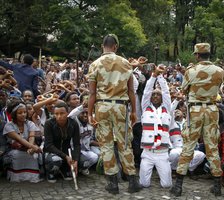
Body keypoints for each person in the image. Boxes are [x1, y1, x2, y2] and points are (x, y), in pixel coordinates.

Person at [87, 34, 141, 194]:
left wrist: (90, 114)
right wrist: (134, 112)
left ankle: (112, 183)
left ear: (102, 45)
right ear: (116, 46)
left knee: (106, 144)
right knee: (124, 143)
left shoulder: (94, 64)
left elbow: (92, 93)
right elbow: (131, 90)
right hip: (120, 107)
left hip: (102, 106)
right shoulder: (125, 63)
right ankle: (132, 181)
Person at [170, 43, 224, 197]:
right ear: (209, 53)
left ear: (197, 55)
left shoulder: (191, 71)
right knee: (212, 146)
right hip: (212, 109)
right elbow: (218, 87)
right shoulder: (220, 71)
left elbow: (184, 90)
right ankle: (217, 186)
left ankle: (178, 186)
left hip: (195, 110)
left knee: (188, 145)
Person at [139, 65, 173, 188]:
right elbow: (146, 91)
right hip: (147, 152)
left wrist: (160, 76)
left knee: (167, 185)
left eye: (158, 95)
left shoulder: (167, 109)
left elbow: (166, 92)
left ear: (162, 98)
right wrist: (153, 76)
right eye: (153, 95)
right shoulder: (145, 108)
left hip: (162, 153)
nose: (155, 96)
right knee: (143, 184)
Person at [3, 99, 42, 182]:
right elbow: (19, 138)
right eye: (20, 113)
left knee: (32, 155)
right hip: (14, 149)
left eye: (24, 112)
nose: (23, 114)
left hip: (28, 148)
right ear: (14, 114)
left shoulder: (30, 123)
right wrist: (33, 147)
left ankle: (32, 177)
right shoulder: (9, 125)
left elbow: (32, 136)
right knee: (17, 154)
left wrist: (31, 149)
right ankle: (17, 177)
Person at [43, 102, 81, 183]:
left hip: (66, 151)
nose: (59, 116)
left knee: (83, 160)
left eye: (62, 113)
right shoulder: (49, 123)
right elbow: (49, 145)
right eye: (56, 114)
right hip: (52, 152)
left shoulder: (73, 124)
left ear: (67, 113)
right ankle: (51, 172)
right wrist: (65, 157)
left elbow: (77, 144)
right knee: (56, 160)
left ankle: (64, 170)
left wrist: (76, 160)